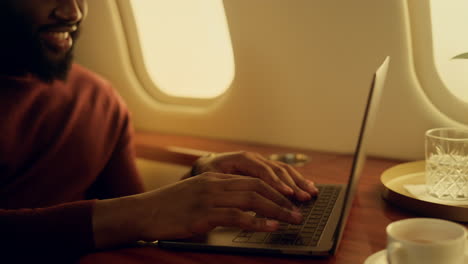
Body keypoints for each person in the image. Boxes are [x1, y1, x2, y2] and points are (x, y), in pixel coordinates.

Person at [0, 0, 318, 262]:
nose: (74, 12)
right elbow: (131, 215)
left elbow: (131, 217)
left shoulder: (99, 100)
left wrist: (199, 181)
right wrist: (143, 211)